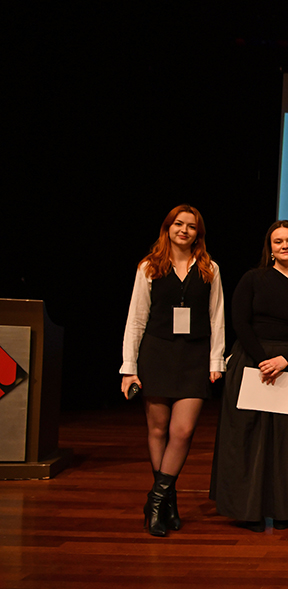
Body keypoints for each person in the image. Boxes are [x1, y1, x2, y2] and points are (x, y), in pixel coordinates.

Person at [209, 221, 288, 532]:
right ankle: (249, 510)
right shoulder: (253, 278)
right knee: (249, 438)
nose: (285, 245)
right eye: (278, 241)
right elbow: (240, 322)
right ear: (270, 248)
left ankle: (284, 509)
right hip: (253, 363)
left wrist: (285, 359)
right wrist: (263, 360)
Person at [121, 204, 225, 537]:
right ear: (167, 228)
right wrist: (128, 368)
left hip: (194, 356)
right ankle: (168, 501)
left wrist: (216, 361)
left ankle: (155, 500)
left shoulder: (209, 268)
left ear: (198, 233)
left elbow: (217, 318)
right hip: (156, 354)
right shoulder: (149, 267)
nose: (184, 230)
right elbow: (136, 319)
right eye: (178, 224)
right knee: (157, 430)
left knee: (182, 431)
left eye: (191, 226)